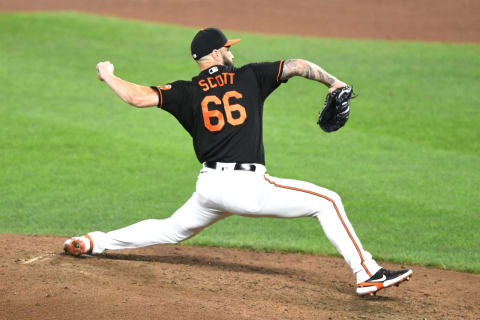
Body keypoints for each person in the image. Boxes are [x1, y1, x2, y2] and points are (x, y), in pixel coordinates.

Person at [64, 27, 412, 296]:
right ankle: (367, 273)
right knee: (328, 201)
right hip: (247, 187)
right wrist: (335, 83)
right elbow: (299, 65)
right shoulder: (251, 76)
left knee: (171, 229)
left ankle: (96, 241)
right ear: (216, 52)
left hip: (210, 188)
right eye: (228, 47)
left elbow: (137, 98)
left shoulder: (185, 91)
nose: (231, 51)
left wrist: (108, 74)